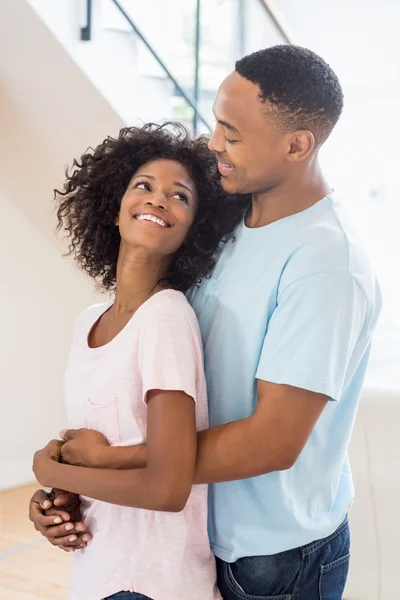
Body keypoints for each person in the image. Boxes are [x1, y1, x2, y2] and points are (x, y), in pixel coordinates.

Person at [31, 46, 382, 600]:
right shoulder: (228, 221)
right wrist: (77, 483)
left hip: (274, 559)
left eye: (231, 133)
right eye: (215, 122)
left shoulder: (325, 265)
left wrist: (102, 464)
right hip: (196, 542)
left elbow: (271, 444)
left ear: (297, 144)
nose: (214, 143)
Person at [31, 122, 246, 600]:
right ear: (114, 208)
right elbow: (104, 444)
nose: (157, 199)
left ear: (194, 229)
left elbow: (169, 487)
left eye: (180, 196)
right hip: (98, 569)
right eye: (143, 186)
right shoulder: (89, 319)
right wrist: (58, 499)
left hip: (150, 580)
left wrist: (52, 472)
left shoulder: (165, 317)